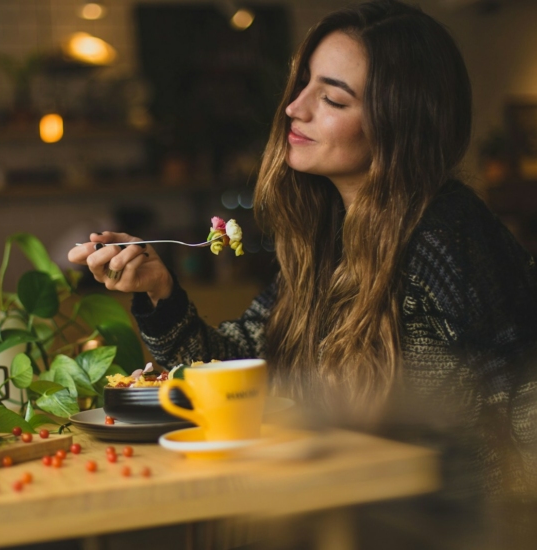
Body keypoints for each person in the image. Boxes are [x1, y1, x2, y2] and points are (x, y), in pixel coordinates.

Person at [69, 0, 537, 538]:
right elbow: (234, 372)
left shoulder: (445, 231)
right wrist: (159, 289)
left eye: (332, 97)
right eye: (305, 84)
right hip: (347, 519)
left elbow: (524, 399)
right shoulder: (332, 237)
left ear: (400, 122)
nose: (295, 107)